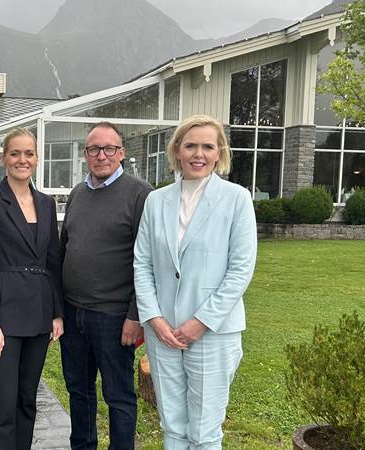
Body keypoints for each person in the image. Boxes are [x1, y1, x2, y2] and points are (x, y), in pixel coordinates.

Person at [133, 115, 257, 450]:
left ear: (219, 153)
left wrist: (200, 323)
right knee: (172, 425)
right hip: (163, 332)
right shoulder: (156, 202)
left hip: (213, 332)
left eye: (207, 146)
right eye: (190, 145)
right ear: (176, 151)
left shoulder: (237, 199)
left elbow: (241, 269)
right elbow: (142, 264)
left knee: (204, 432)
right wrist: (153, 318)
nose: (198, 153)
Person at [59, 121, 153, 450]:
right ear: (86, 155)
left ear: (121, 152)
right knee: (78, 391)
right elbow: (65, 248)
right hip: (74, 315)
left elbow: (149, 261)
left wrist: (135, 315)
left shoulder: (141, 195)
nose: (101, 155)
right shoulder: (77, 194)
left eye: (109, 148)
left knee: (118, 396)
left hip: (114, 318)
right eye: (94, 149)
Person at [0, 128, 64, 450]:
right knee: (4, 403)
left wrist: (56, 312)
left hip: (38, 314)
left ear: (37, 159)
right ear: (3, 158)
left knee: (27, 400)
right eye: (15, 153)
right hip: (3, 316)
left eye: (29, 154)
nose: (22, 160)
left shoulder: (47, 204)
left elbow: (53, 261)